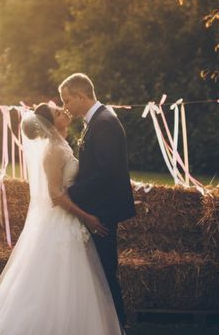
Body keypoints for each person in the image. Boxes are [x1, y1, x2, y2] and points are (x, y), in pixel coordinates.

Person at [0, 102, 124, 335]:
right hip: (62, 223)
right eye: (57, 112)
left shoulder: (62, 144)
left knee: (70, 281)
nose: (64, 110)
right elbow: (56, 196)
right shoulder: (53, 152)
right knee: (60, 277)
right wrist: (88, 218)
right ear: (51, 123)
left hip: (69, 222)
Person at [60, 73, 136, 329]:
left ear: (82, 96)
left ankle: (118, 325)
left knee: (104, 272)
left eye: (67, 100)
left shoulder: (104, 122)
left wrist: (71, 195)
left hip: (102, 210)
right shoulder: (96, 121)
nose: (65, 107)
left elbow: (106, 172)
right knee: (97, 271)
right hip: (96, 207)